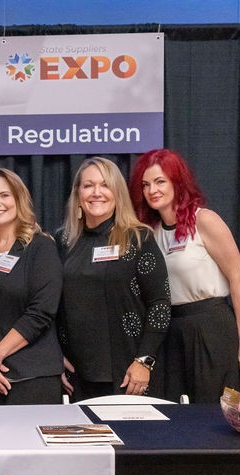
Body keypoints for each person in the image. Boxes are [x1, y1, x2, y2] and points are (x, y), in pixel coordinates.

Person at [130, 148, 240, 402]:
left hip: (210, 327)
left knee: (213, 410)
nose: (152, 190)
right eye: (146, 184)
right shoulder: (149, 232)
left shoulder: (204, 221)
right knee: (172, 410)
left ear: (177, 183)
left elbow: (239, 277)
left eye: (160, 181)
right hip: (169, 330)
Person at [58, 157, 171, 400]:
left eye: (105, 185)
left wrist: (144, 361)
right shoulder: (63, 242)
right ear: (77, 194)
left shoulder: (139, 238)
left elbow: (160, 305)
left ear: (117, 193)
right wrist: (56, 358)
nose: (96, 193)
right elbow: (50, 306)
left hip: (130, 372)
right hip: (77, 375)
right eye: (88, 185)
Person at [0, 168, 63, 405]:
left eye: (4, 195)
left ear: (19, 198)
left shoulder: (41, 247)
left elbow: (41, 312)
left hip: (33, 377)